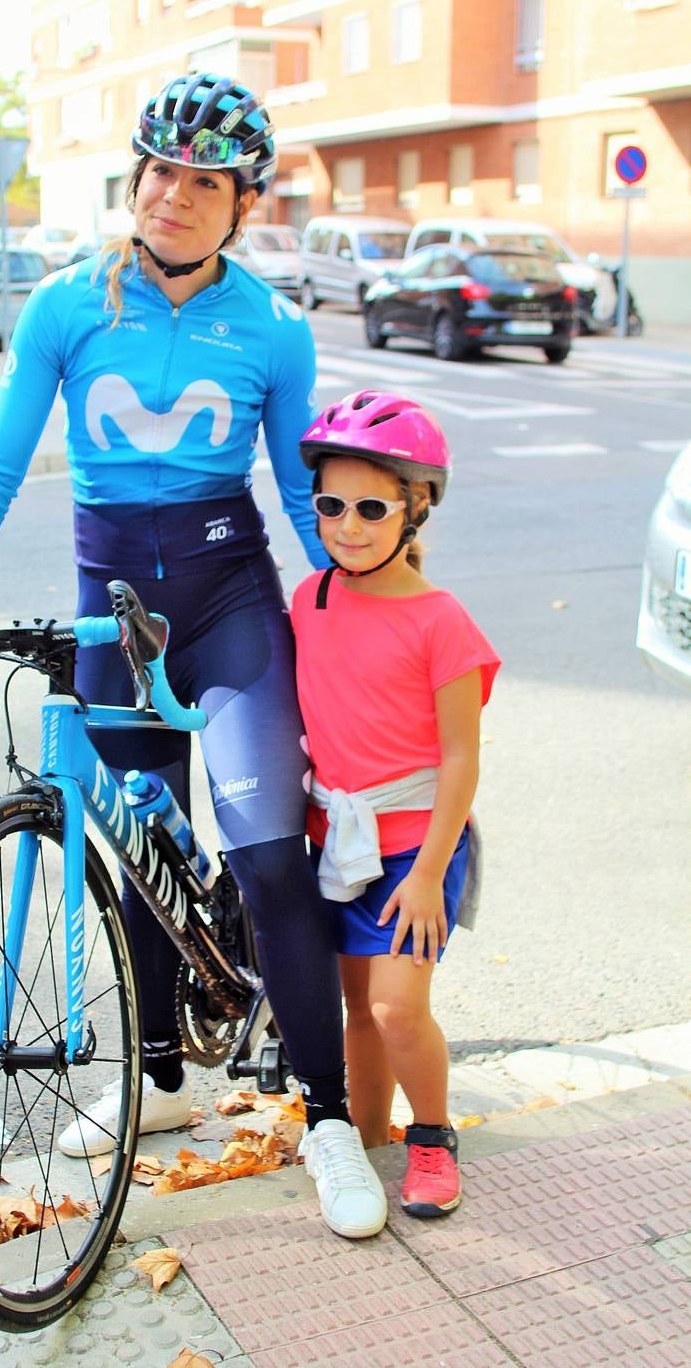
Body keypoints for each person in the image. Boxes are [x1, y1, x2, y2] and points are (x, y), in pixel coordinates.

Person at [0, 72, 387, 1240]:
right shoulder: (65, 307)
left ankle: (329, 1117)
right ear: (135, 180)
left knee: (262, 858)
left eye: (206, 182)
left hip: (230, 604)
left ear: (240, 202)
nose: (176, 196)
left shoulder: (270, 325)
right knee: (129, 848)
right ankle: (156, 1081)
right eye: (160, 172)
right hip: (113, 606)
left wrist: (360, 604)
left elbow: (305, 502)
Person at [291, 390, 501, 1219]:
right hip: (337, 843)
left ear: (414, 511)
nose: (347, 525)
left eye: (371, 508)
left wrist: (430, 875)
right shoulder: (310, 599)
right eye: (331, 505)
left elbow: (460, 759)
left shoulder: (440, 621)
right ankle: (369, 1145)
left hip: (419, 848)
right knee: (358, 1013)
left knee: (396, 1005)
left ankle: (433, 1137)